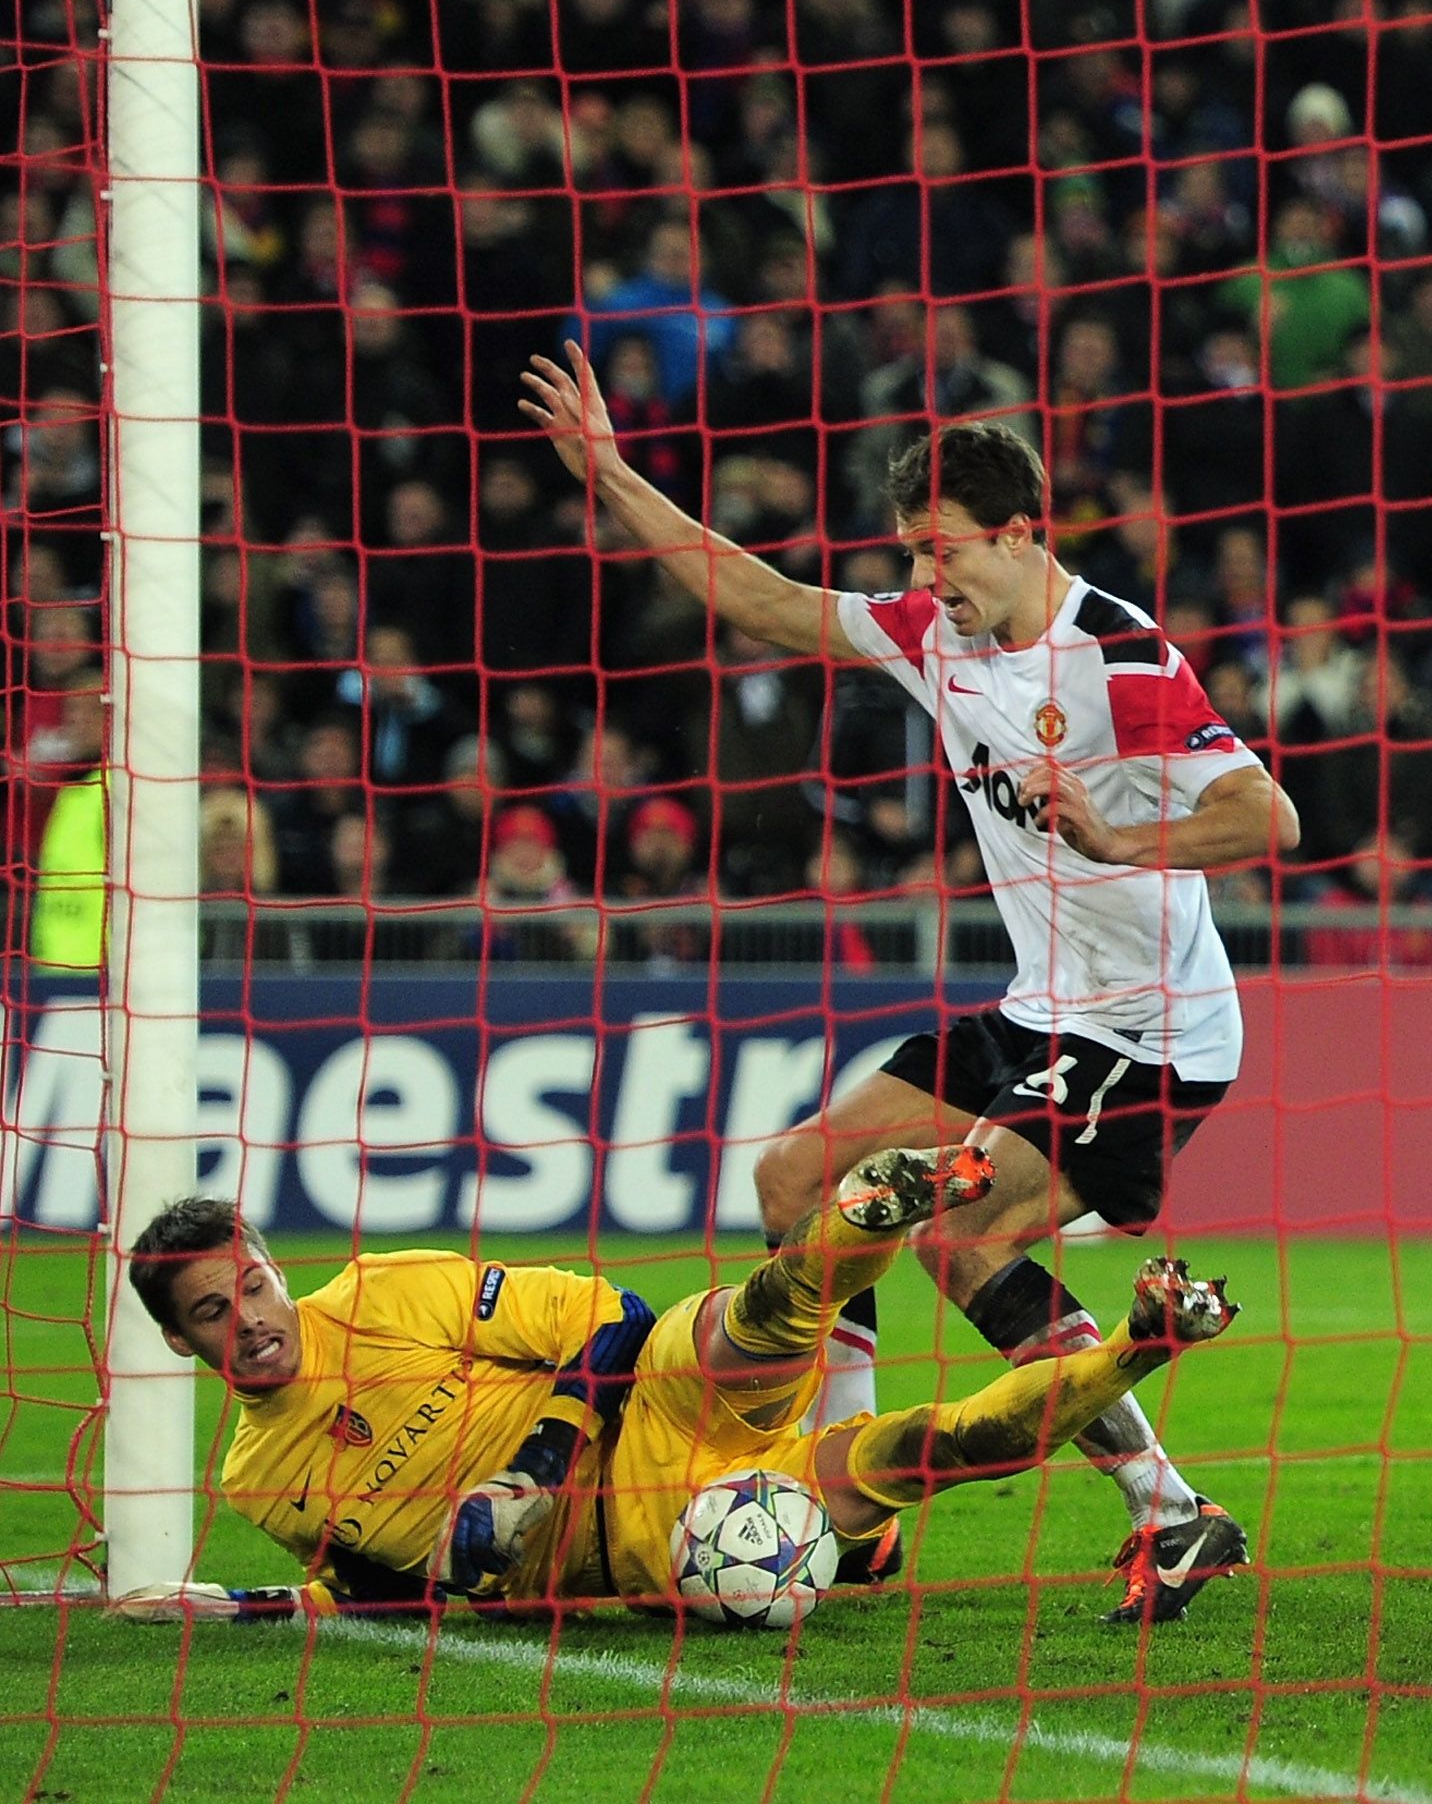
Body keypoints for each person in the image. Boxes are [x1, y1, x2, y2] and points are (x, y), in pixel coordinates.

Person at [520, 343, 1298, 1623]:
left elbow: (1270, 817)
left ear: (1022, 532)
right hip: (1037, 1008)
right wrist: (610, 473)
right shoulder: (934, 634)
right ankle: (854, 1509)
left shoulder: (1124, 660)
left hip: (1151, 1034)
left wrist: (1115, 837)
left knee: (956, 1237)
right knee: (794, 1177)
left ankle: (1176, 1513)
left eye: (944, 550)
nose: (924, 576)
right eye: (910, 552)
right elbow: (761, 597)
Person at [106, 1166, 1236, 1622]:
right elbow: (374, 1584)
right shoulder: (261, 1476)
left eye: (253, 1280)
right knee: (924, 1452)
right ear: (176, 1338)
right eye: (215, 1311)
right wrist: (237, 1603)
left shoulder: (387, 1289)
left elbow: (615, 1315)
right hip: (647, 1542)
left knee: (759, 1320)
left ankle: (870, 1211)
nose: (252, 1316)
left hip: (649, 1409)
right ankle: (1142, 1339)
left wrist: (531, 1467)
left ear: (269, 1261)